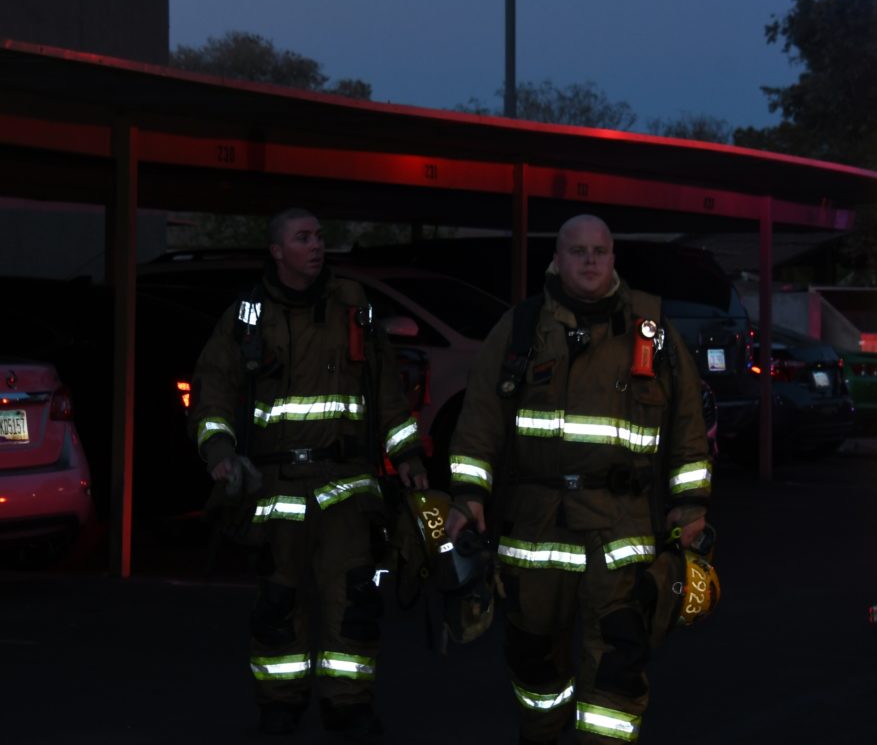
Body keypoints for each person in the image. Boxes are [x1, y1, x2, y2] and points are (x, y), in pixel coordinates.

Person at [445, 214, 711, 745]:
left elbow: (687, 422)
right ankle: (541, 731)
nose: (590, 260)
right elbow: (479, 420)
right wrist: (469, 495)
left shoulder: (652, 331)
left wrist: (691, 503)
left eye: (599, 251)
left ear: (613, 259)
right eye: (577, 251)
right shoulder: (521, 328)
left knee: (618, 658)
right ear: (556, 259)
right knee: (534, 658)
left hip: (622, 528)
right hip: (536, 527)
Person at [189, 207, 428, 739]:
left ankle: (349, 706)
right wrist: (219, 450)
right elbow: (213, 390)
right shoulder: (247, 316)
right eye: (303, 238)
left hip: (347, 486)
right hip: (275, 488)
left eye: (319, 236)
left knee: (355, 602)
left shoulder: (353, 307)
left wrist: (408, 457)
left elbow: (386, 391)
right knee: (279, 603)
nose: (316, 245)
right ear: (277, 251)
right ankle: (280, 705)